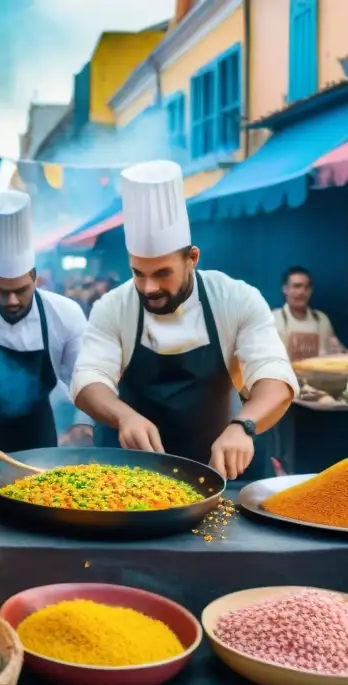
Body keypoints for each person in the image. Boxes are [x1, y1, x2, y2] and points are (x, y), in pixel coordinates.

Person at [71, 160, 298, 481]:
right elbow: (89, 378)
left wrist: (244, 425)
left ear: (192, 258)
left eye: (162, 273)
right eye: (139, 273)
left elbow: (275, 376)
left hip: (219, 471)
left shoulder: (236, 298)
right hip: (132, 475)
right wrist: (123, 416)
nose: (149, 287)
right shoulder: (112, 306)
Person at [0, 190, 93, 487]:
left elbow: (82, 375)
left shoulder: (64, 314)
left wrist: (82, 424)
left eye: (21, 290)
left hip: (36, 437)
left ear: (34, 276)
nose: (13, 300)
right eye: (2, 291)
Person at [272, 267, 346, 361]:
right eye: (297, 286)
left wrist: (340, 351)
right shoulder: (273, 319)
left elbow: (337, 353)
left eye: (307, 287)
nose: (302, 292)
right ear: (285, 289)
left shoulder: (321, 320)